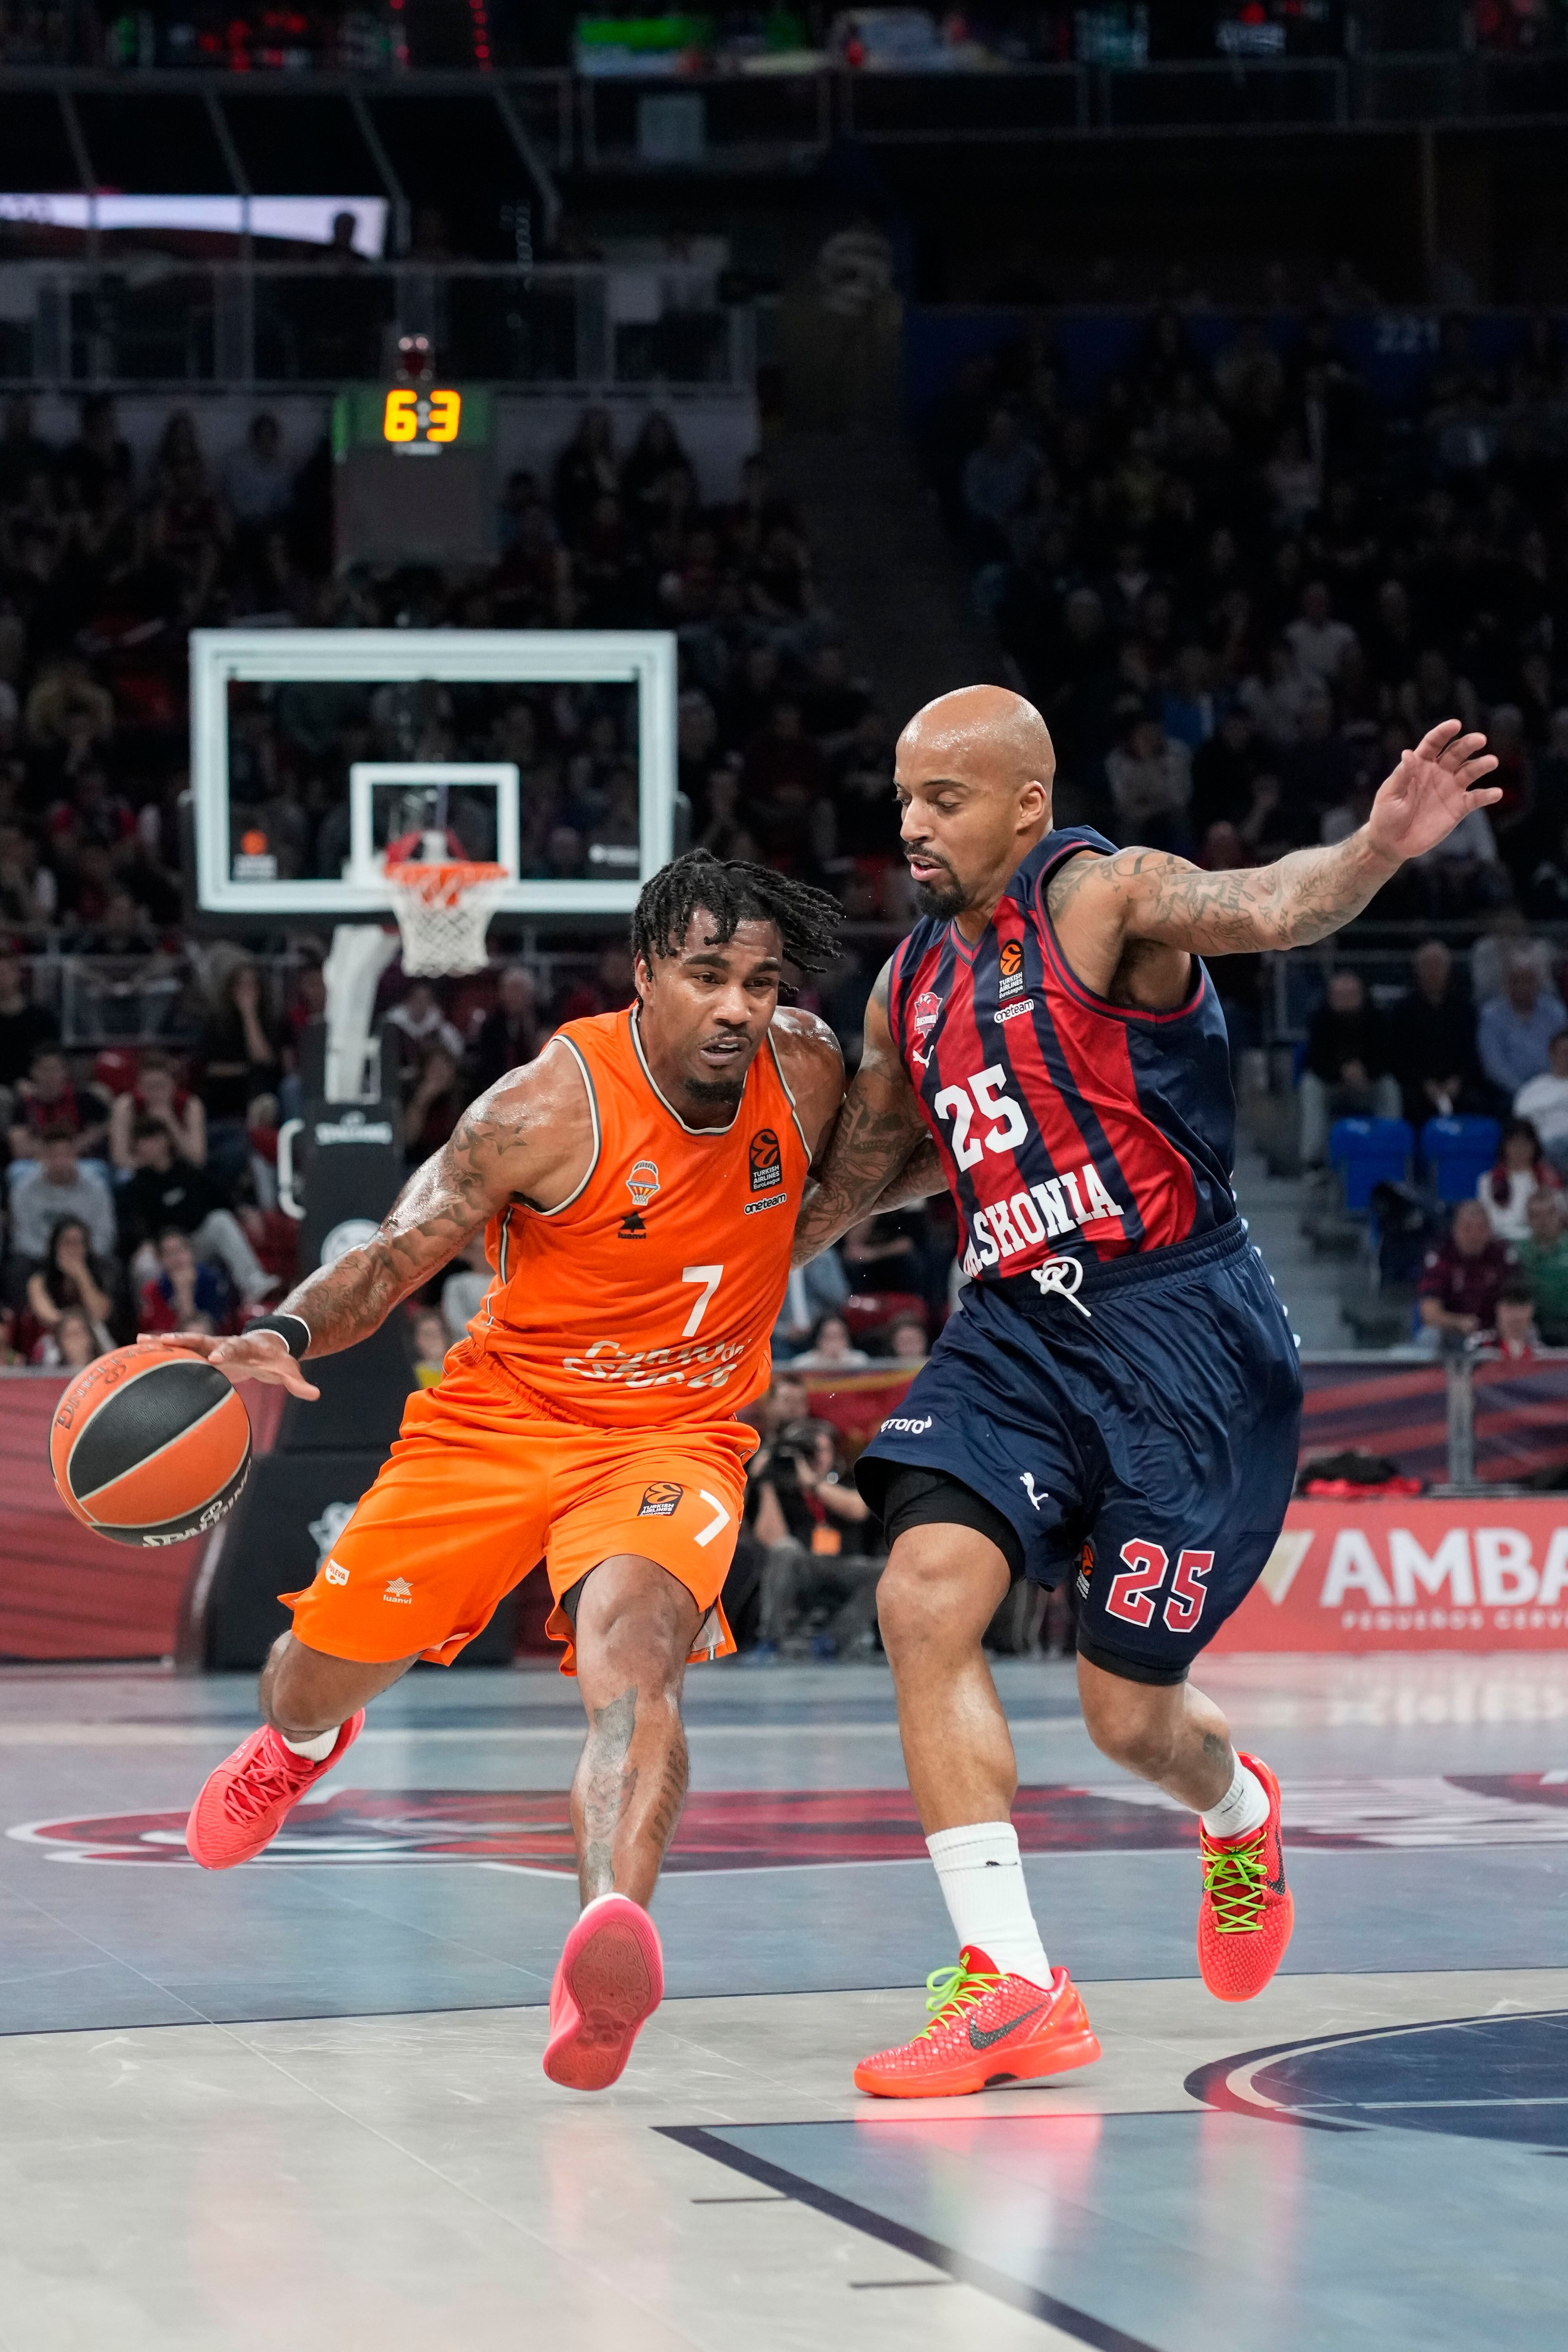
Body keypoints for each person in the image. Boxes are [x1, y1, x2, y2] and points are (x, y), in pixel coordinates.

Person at [790, 683, 1499, 2099]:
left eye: (942, 796)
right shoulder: (906, 984)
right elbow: (865, 1173)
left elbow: (1266, 902)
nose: (910, 823)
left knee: (1127, 1714)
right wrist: (712, 1251)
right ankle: (1011, 1983)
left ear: (1026, 803)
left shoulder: (1103, 897)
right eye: (901, 797)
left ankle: (1235, 1810)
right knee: (921, 1592)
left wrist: (1368, 851)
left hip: (1184, 1343)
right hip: (1011, 1331)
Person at [161, 853, 848, 2094]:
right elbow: (392, 1253)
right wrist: (290, 1329)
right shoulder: (539, 1109)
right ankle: (306, 1740)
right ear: (645, 976)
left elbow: (866, 1169)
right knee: (298, 1676)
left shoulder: (805, 1068)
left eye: (759, 978)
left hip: (673, 1438)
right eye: (707, 977)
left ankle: (603, 1944)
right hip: (500, 1422)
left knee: (638, 1653)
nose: (739, 1006)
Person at [1298, 970, 1403, 1167]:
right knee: (1310, 1086)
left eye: (1351, 996)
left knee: (1389, 1087)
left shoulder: (1377, 1018)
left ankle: (1391, 1150)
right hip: (1332, 1085)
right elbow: (1314, 1060)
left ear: (1362, 995)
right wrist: (1340, 1073)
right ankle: (1313, 1162)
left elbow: (1388, 1057)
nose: (1345, 1001)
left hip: (1368, 1085)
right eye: (1340, 996)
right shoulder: (1320, 1019)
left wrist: (1366, 1072)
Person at [1384, 939, 1483, 1130]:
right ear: (1417, 970)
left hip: (1458, 1083)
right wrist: (1425, 1084)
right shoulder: (1402, 1011)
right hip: (1417, 1086)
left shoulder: (1465, 1008)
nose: (1433, 972)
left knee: (1478, 1103)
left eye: (1438, 966)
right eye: (1427, 966)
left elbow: (1473, 1051)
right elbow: (1398, 1056)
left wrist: (1458, 1080)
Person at [11, 1127, 116, 1268]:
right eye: (54, 1155)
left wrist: (80, 1255)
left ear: (76, 1155)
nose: (60, 1162)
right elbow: (23, 1237)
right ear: (43, 1157)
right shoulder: (24, 1190)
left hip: (86, 1257)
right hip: (41, 1259)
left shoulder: (96, 1188)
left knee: (111, 1265)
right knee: (18, 1266)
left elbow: (105, 1234)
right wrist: (55, 1257)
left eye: (66, 1155)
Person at [1417, 1198, 1515, 1347]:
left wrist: (1503, 1324)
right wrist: (1458, 1322)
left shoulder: (1502, 1255)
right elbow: (1429, 1313)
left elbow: (1519, 1303)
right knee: (1428, 1336)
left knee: (1527, 1332)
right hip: (1453, 1331)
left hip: (1497, 1331)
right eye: (1467, 1228)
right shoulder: (1441, 1256)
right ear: (1455, 1229)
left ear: (1490, 1230)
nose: (1474, 1236)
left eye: (1481, 1229)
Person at [1477, 954, 1568, 1103]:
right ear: (1507, 984)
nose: (1524, 987)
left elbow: (1563, 1053)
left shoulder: (1555, 1012)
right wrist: (1524, 1090)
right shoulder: (1492, 1015)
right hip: (1510, 1091)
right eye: (1518, 981)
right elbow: (1493, 1064)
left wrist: (1550, 1085)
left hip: (1554, 1085)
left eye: (1529, 981)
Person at [26, 1215, 116, 1356]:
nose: (73, 1250)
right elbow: (49, 1318)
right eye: (67, 1243)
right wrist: (76, 1326)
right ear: (55, 1247)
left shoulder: (101, 1276)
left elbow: (100, 1314)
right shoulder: (39, 1281)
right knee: (71, 1335)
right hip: (55, 1343)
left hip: (92, 1342)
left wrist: (81, 1276)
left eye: (78, 1243)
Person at [1476, 1117, 1560, 1244]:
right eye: (1514, 1144)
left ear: (1534, 1146)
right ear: (1504, 1147)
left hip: (1539, 1243)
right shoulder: (1487, 1180)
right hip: (1500, 1243)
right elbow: (1490, 1220)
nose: (1519, 1149)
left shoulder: (1548, 1178)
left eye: (1525, 1144)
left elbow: (1557, 1218)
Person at [1514, 1028, 1568, 1175]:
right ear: (1552, 1054)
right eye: (1564, 1053)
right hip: (1544, 1148)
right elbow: (1522, 1120)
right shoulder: (1533, 1089)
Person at [1518, 1190, 1568, 1347]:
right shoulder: (1518, 1252)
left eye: (1549, 1213)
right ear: (1527, 1219)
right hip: (1531, 1330)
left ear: (1560, 1216)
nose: (1543, 1221)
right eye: (1536, 1215)